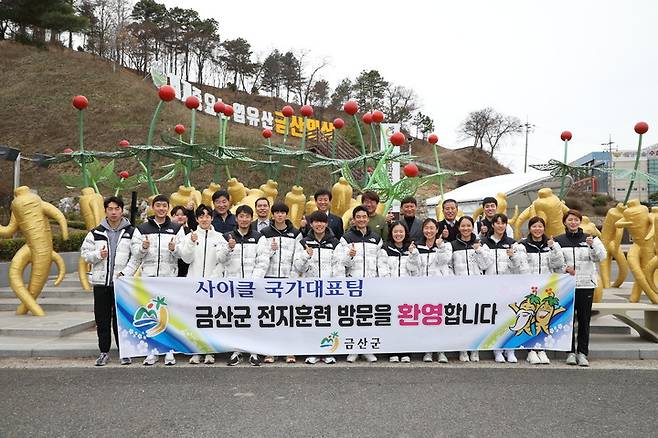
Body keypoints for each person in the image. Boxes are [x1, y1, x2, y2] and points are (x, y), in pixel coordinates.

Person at [122, 194, 186, 366]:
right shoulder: (142, 229)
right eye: (158, 205)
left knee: (168, 316)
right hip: (148, 279)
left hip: (169, 279)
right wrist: (143, 248)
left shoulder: (176, 228)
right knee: (151, 316)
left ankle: (169, 351)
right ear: (152, 207)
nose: (161, 208)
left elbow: (182, 253)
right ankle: (152, 351)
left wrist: (174, 249)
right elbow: (135, 254)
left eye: (164, 206)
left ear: (168, 207)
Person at [81, 196, 135, 366]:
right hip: (101, 283)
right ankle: (104, 352)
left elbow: (136, 257)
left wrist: (126, 273)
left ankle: (124, 352)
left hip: (121, 284)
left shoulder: (131, 232)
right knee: (102, 319)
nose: (113, 212)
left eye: (117, 209)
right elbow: (85, 255)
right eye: (110, 209)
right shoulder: (96, 232)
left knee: (121, 320)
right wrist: (98, 255)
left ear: (122, 210)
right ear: (105, 210)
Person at [554, 209, 606, 367]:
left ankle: (583, 353)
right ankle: (570, 352)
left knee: (584, 320)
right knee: (567, 320)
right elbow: (555, 264)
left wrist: (592, 246)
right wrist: (565, 268)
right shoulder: (558, 240)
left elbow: (601, 257)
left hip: (586, 285)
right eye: (570, 220)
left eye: (576, 220)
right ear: (565, 222)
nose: (573, 222)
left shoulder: (591, 239)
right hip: (566, 286)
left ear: (580, 221)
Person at [254, 202, 302, 364]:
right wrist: (270, 250)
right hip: (270, 280)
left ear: (286, 215)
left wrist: (293, 278)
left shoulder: (295, 233)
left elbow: (298, 259)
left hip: (288, 282)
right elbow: (260, 257)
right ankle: (270, 351)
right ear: (272, 215)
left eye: (283, 212)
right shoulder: (264, 233)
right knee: (271, 317)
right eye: (277, 213)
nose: (280, 215)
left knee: (289, 317)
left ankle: (290, 350)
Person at [294, 210, 343, 365]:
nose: (319, 224)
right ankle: (313, 351)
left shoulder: (335, 243)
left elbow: (339, 266)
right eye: (316, 221)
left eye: (322, 222)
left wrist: (336, 285)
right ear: (311, 224)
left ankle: (328, 351)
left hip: (329, 289)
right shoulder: (303, 242)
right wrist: (306, 255)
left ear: (326, 224)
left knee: (329, 321)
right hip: (310, 289)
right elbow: (298, 267)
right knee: (312, 321)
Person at [179, 204, 226, 365]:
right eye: (201, 216)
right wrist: (192, 243)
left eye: (207, 216)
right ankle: (196, 351)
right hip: (194, 284)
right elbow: (185, 259)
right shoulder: (190, 236)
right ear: (197, 219)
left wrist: (214, 278)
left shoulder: (220, 237)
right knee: (196, 319)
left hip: (213, 285)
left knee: (211, 319)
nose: (204, 219)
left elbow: (222, 261)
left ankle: (210, 351)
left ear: (212, 218)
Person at [218, 205, 265, 367]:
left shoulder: (259, 237)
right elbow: (220, 260)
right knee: (235, 318)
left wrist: (253, 282)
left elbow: (263, 261)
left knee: (252, 318)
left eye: (247, 216)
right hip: (232, 286)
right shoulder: (226, 236)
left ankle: (253, 351)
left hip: (252, 286)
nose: (244, 219)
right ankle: (236, 351)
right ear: (236, 218)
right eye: (241, 216)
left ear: (251, 218)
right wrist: (229, 248)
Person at [515, 216, 565, 365]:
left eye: (540, 226)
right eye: (534, 226)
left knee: (544, 318)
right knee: (530, 318)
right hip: (530, 289)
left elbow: (558, 264)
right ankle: (531, 350)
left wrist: (553, 248)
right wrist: (529, 285)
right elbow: (521, 266)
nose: (537, 229)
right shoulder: (522, 245)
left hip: (547, 288)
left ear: (544, 228)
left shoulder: (551, 244)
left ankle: (542, 348)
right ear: (530, 228)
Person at [340, 205, 383, 363]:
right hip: (353, 285)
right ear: (354, 219)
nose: (362, 219)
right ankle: (354, 350)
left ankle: (367, 349)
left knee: (368, 317)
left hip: (371, 284)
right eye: (358, 217)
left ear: (368, 218)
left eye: (364, 217)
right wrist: (349, 256)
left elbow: (381, 261)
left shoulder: (376, 238)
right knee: (354, 318)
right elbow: (341, 263)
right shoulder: (346, 238)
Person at [481, 213, 526, 363]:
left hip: (509, 286)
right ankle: (497, 350)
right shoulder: (484, 243)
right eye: (497, 223)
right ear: (492, 225)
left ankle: (510, 349)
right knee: (495, 318)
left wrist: (512, 256)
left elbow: (518, 266)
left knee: (510, 317)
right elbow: (483, 265)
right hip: (491, 286)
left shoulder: (513, 243)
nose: (500, 226)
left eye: (503, 223)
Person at [450, 216, 492, 362]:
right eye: (463, 226)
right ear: (459, 227)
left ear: (472, 227)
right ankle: (463, 349)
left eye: (469, 226)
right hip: (459, 289)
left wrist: (479, 250)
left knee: (476, 319)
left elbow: (486, 265)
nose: (466, 228)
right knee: (461, 319)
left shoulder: (481, 243)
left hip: (477, 288)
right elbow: (449, 266)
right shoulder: (453, 245)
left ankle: (475, 348)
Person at [379, 221, 420, 363]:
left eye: (401, 231)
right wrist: (391, 286)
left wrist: (412, 255)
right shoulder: (385, 248)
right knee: (391, 322)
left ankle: (406, 350)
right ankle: (392, 351)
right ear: (391, 233)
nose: (398, 234)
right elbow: (382, 269)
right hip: (390, 292)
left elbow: (414, 270)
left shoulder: (412, 249)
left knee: (406, 322)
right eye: (395, 231)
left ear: (405, 233)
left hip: (407, 292)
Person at [415, 218, 452, 363]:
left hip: (439, 289)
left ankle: (441, 350)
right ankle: (427, 350)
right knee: (425, 320)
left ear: (437, 230)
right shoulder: (417, 246)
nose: (429, 231)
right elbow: (415, 266)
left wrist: (440, 247)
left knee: (439, 320)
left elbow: (444, 261)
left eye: (432, 228)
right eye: (426, 228)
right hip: (422, 289)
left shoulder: (446, 245)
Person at [171, 205, 192, 278]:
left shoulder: (190, 232)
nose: (180, 217)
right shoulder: (168, 231)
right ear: (172, 216)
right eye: (177, 215)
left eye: (183, 215)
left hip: (186, 267)